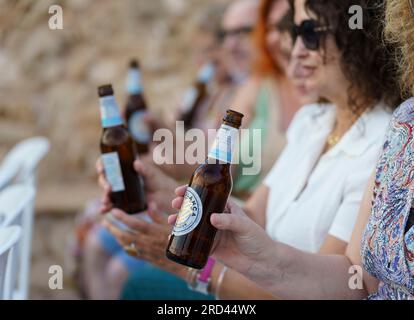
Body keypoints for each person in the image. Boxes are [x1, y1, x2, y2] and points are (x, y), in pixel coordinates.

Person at [97, 0, 401, 299]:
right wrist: (159, 190)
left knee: (139, 285)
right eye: (294, 34)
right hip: (251, 277)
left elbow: (337, 288)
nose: (295, 50)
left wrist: (194, 272)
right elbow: (253, 215)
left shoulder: (385, 142)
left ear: (359, 34)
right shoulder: (315, 119)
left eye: (310, 32)